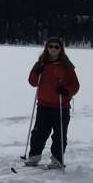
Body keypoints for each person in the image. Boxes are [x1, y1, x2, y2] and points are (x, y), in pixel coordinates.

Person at [25, 38, 80, 168]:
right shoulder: (41, 64)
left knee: (59, 134)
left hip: (61, 106)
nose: (53, 49)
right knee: (39, 132)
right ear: (46, 48)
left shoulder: (66, 66)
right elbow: (33, 82)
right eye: (50, 46)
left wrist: (66, 90)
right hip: (43, 105)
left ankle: (57, 159)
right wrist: (36, 72)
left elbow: (75, 85)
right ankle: (34, 156)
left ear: (61, 50)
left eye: (56, 47)